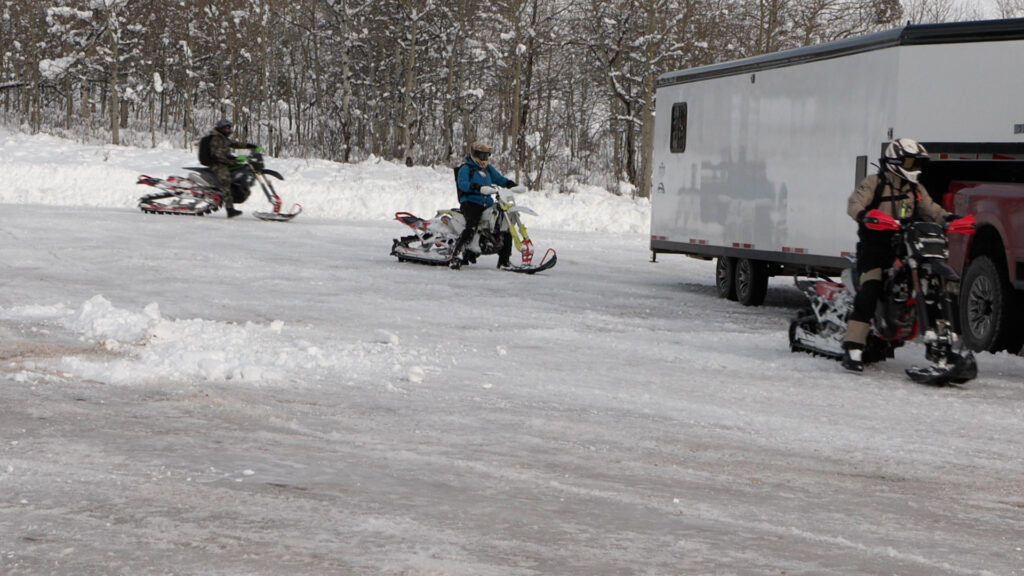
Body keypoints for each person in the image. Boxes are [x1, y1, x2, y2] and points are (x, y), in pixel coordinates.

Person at [841, 137, 950, 372]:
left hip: (905, 246)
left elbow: (931, 209)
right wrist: (864, 215)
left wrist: (948, 218)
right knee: (871, 288)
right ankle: (853, 347)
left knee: (932, 286)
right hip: (875, 247)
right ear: (894, 162)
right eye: (911, 163)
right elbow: (854, 203)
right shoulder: (874, 182)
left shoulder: (915, 189)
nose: (915, 168)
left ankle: (941, 346)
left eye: (918, 163)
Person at [451, 141, 518, 270]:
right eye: (481, 156)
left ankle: (504, 260)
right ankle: (456, 254)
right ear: (474, 155)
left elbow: (499, 179)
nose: (484, 159)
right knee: (472, 225)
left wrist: (511, 184)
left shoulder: (488, 169)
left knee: (504, 226)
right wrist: (477, 187)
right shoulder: (466, 168)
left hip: (487, 204)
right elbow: (462, 183)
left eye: (486, 156)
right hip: (470, 202)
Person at [205, 119, 257, 218]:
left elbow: (235, 144)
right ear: (221, 128)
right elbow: (219, 156)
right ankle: (230, 209)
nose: (228, 130)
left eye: (229, 128)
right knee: (226, 181)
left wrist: (250, 146)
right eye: (226, 128)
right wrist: (234, 161)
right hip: (217, 164)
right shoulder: (216, 139)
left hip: (224, 162)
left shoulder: (223, 138)